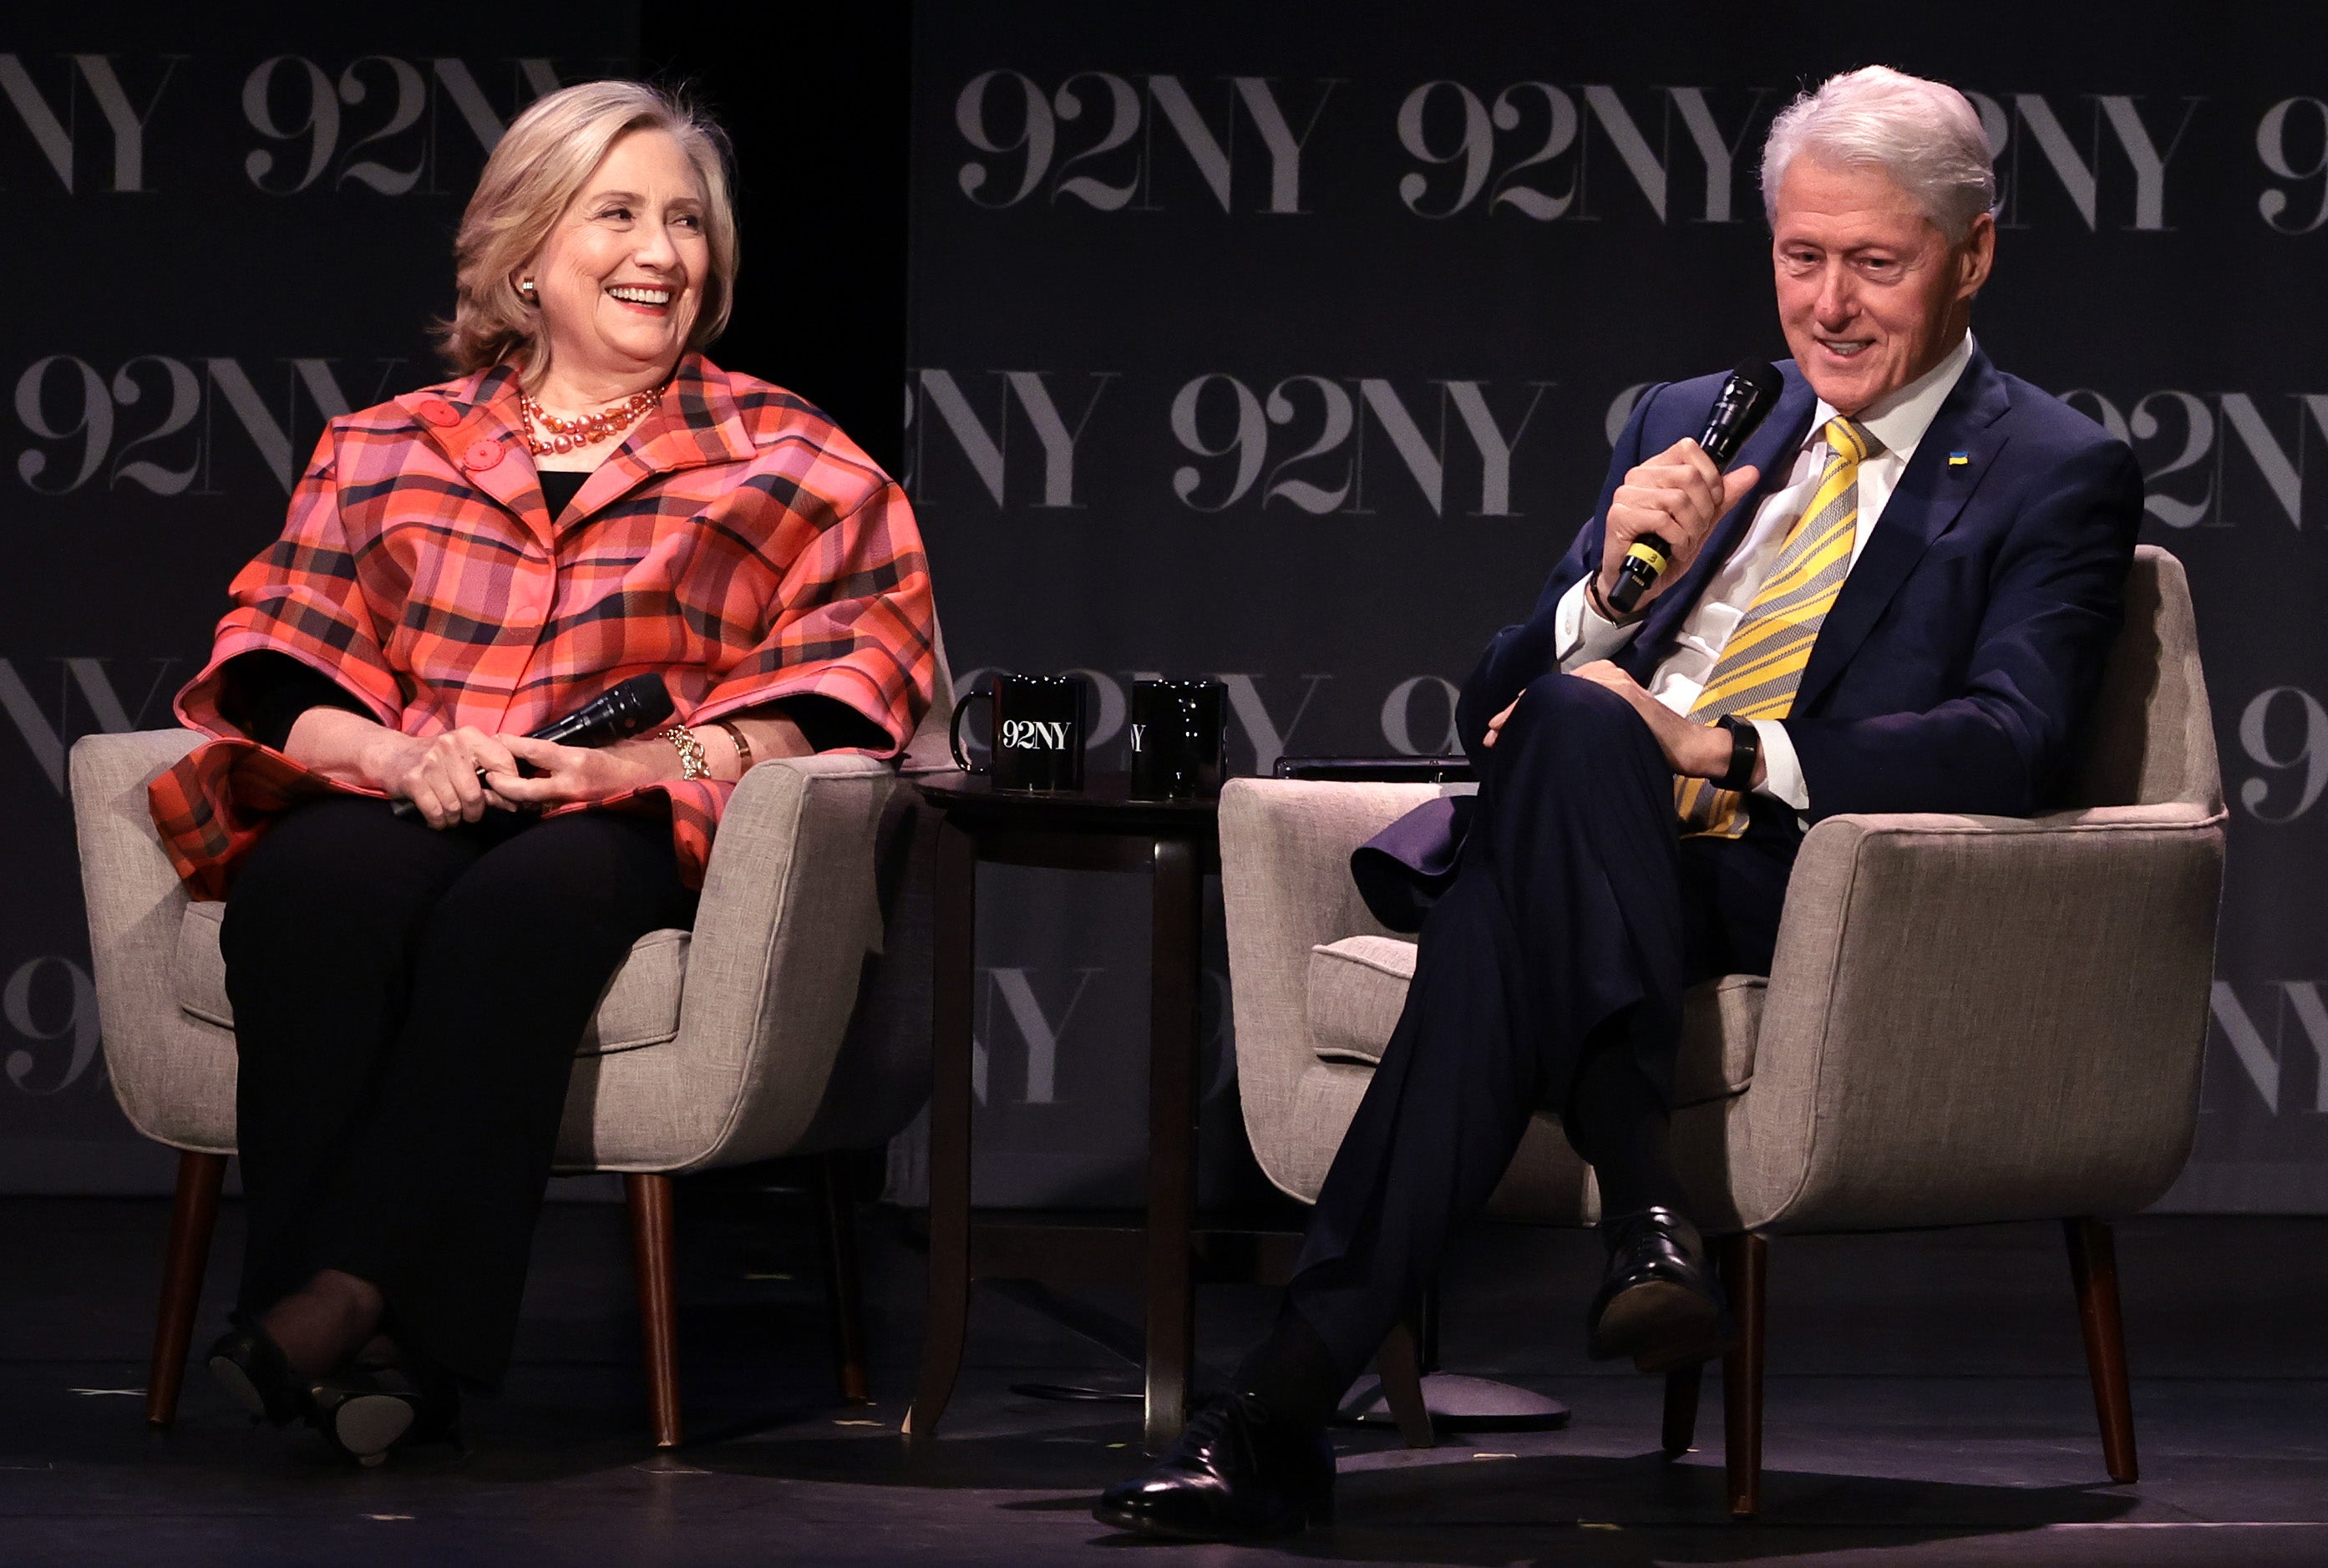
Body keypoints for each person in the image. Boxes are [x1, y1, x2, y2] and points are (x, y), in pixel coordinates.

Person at [1097, 65, 2143, 1539]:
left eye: (1875, 264)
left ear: (1972, 257)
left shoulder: (2056, 469)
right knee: (1573, 741)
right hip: (1589, 831)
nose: (1829, 304)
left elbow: (2011, 738)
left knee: (1525, 874)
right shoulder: (1704, 417)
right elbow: (1497, 701)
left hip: (1807, 873)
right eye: (1800, 256)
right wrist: (1601, 596)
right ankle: (1636, 1217)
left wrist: (1717, 746)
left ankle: (1282, 1406)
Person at [146, 80, 936, 1462]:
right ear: (524, 251)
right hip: (420, 782)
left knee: (520, 911)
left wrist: (629, 763)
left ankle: (326, 1299)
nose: (663, 251)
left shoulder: (795, 459)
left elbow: (852, 686)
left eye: (687, 222)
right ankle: (388, 1346)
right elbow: (275, 658)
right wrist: (407, 750)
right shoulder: (387, 442)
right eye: (618, 213)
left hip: (627, 818)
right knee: (308, 892)